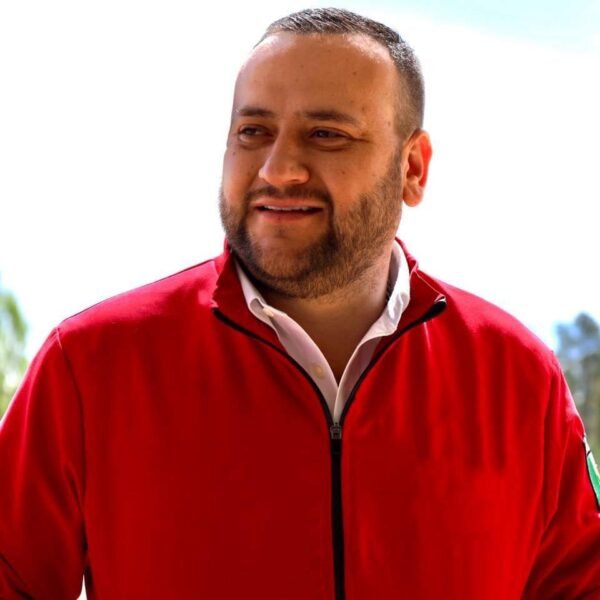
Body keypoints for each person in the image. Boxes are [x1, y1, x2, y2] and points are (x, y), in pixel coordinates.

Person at [1, 7, 599, 599]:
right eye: (253, 132)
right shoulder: (91, 365)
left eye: (326, 135)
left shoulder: (518, 378)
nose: (279, 169)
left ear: (412, 169)